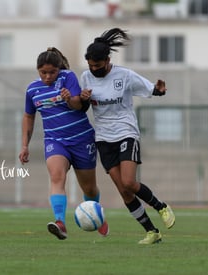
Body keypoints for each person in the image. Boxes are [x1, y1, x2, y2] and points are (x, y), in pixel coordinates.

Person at [79, 28, 175, 244]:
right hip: (103, 139)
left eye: (98, 66)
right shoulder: (85, 77)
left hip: (126, 133)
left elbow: (151, 89)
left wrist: (159, 90)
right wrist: (83, 99)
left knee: (129, 182)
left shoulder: (124, 75)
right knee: (124, 191)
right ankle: (152, 232)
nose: (94, 70)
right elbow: (82, 107)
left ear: (107, 60)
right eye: (91, 66)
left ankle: (161, 207)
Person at [18, 47, 108, 240]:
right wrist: (25, 145)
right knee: (57, 177)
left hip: (82, 138)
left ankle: (97, 215)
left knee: (89, 188)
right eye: (43, 72)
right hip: (55, 141)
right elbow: (28, 116)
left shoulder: (67, 77)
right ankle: (60, 222)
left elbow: (79, 106)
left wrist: (69, 99)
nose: (48, 76)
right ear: (37, 70)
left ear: (59, 69)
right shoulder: (32, 90)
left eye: (52, 72)